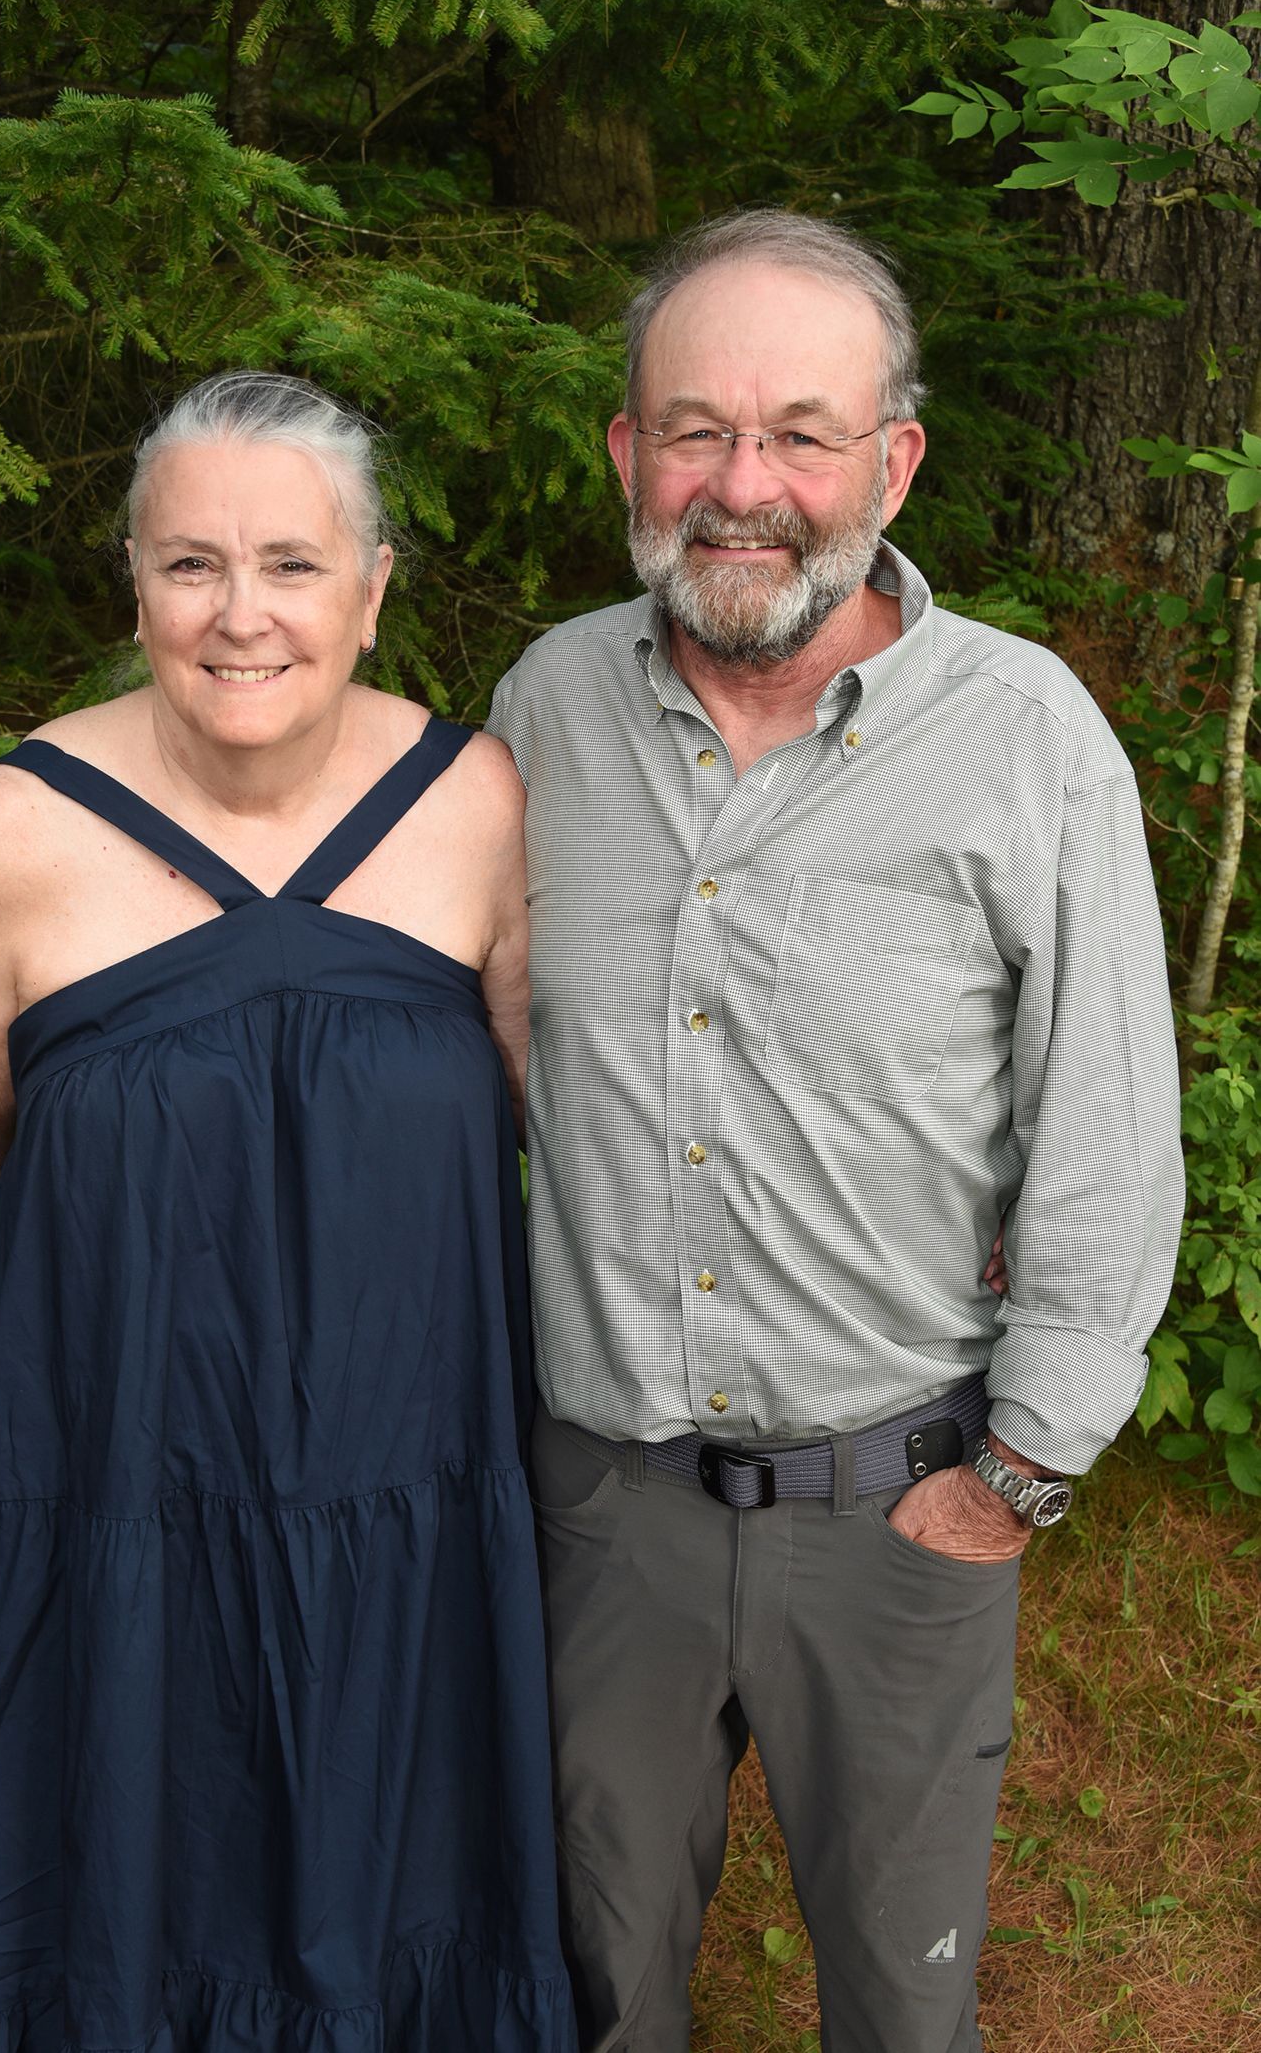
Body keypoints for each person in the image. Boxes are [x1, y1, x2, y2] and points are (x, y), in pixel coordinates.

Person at [486, 210, 1185, 2053]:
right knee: (589, 1979)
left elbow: (1107, 1134)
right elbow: (483, 1058)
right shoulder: (544, 710)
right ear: (629, 454)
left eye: (803, 433)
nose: (745, 487)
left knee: (900, 1993)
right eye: (697, 430)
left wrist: (1015, 1477)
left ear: (895, 463)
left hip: (900, 1514)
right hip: (603, 1514)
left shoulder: (1030, 740)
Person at [0, 373, 577, 2052]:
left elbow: (544, 1123)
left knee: (393, 1888)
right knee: (109, 1881)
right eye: (192, 564)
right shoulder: (11, 831)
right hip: (108, 1500)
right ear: (135, 586)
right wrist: (119, 1409)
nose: (243, 615)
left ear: (372, 589)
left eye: (292, 565)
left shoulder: (481, 803)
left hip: (410, 1501)